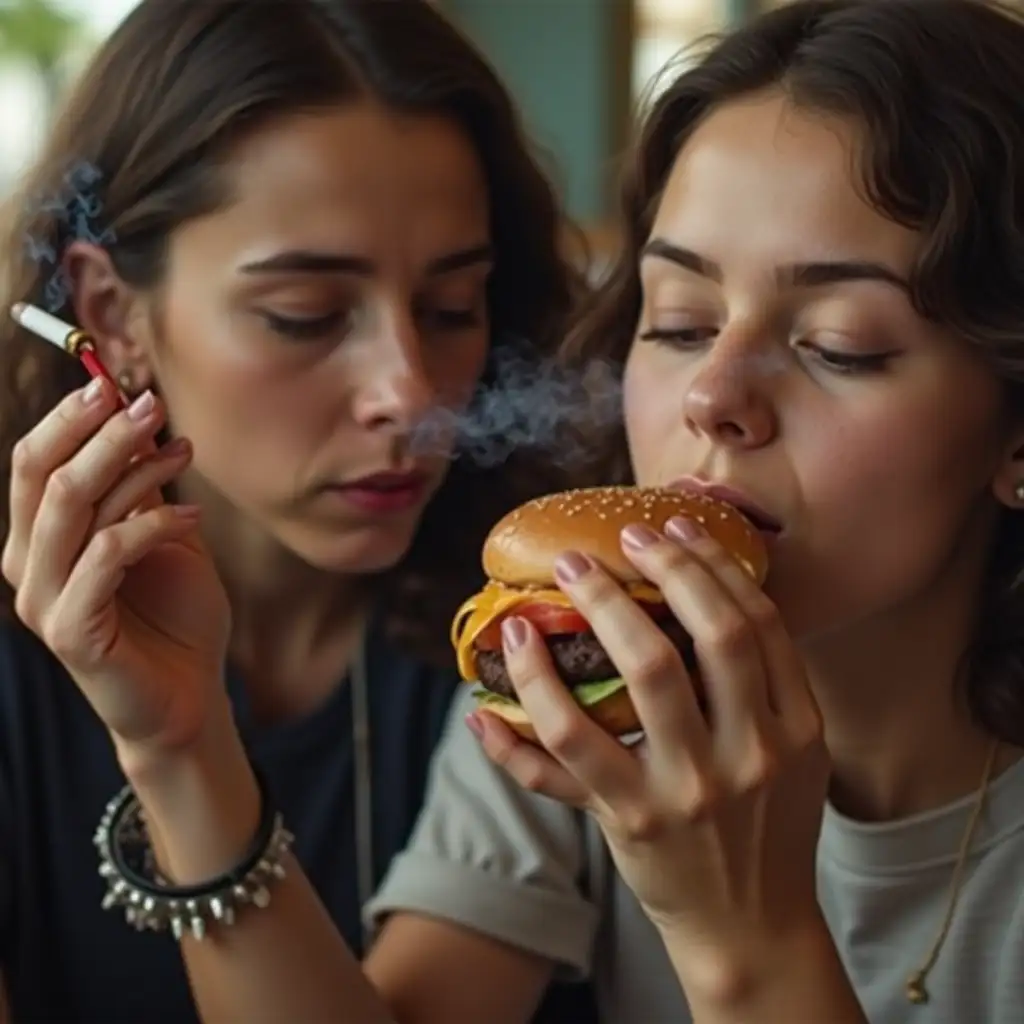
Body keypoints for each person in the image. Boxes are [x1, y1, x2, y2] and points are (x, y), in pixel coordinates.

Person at [8, 0, 1024, 1021]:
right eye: (677, 322)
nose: (710, 396)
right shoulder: (574, 701)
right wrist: (184, 748)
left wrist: (747, 942)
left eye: (839, 343)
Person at [0, 0, 599, 1021]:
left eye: (452, 309)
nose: (408, 395)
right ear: (112, 315)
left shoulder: (542, 629)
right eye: (306, 317)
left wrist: (184, 754)